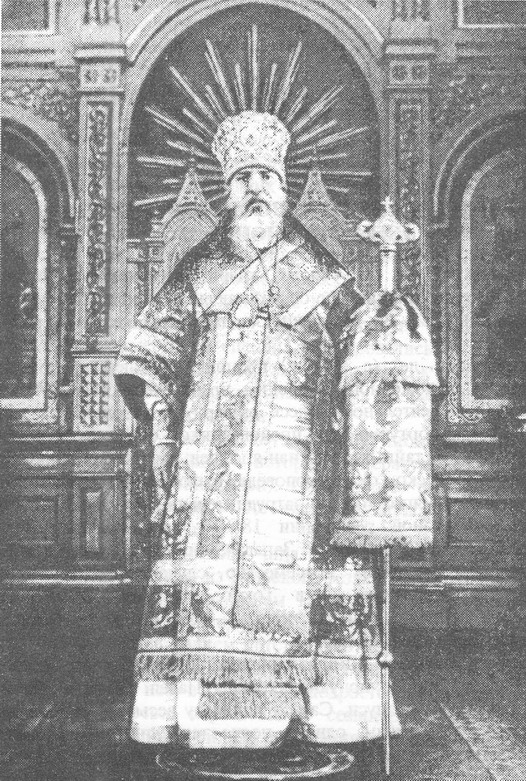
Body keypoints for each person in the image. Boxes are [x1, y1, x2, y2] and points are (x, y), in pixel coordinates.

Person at [115, 110, 401, 749]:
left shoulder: (322, 272)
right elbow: (156, 355)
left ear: (284, 187)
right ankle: (206, 727)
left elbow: (363, 351)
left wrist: (388, 317)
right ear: (227, 190)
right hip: (208, 465)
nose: (254, 188)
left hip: (300, 462)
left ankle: (315, 718)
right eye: (242, 177)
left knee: (299, 589)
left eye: (265, 177)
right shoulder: (198, 269)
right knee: (208, 591)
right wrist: (163, 432)